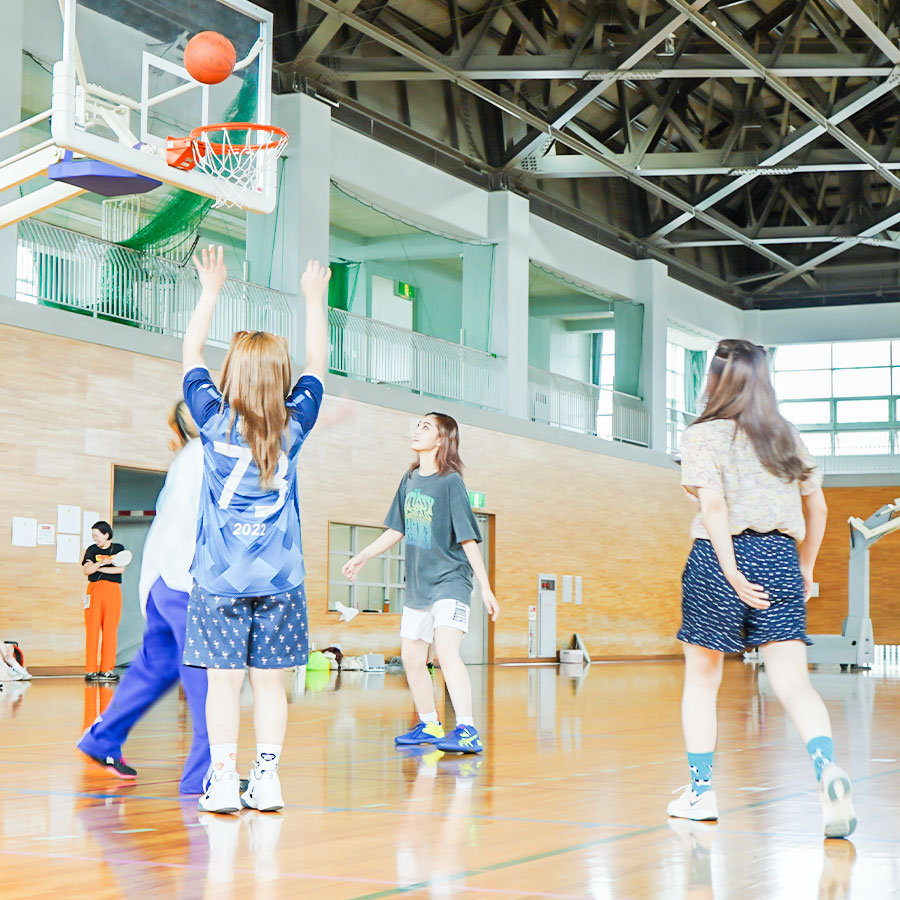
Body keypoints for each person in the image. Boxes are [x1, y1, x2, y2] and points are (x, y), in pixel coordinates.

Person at [668, 339, 856, 839]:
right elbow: (818, 508)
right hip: (779, 557)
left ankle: (701, 792)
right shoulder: (785, 435)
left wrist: (731, 572)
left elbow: (714, 508)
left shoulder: (702, 435)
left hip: (718, 558)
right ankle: (826, 769)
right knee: (793, 682)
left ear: (714, 380)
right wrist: (805, 567)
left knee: (702, 680)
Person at [181, 245, 328, 814]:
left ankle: (223, 781)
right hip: (281, 579)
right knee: (270, 683)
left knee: (224, 682)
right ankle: (266, 779)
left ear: (233, 375)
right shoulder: (297, 422)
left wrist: (210, 291)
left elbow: (191, 351)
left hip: (219, 577)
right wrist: (313, 301)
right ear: (281, 379)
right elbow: (318, 364)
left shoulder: (211, 417)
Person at [343, 413, 499, 754]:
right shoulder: (410, 478)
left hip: (451, 580)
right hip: (418, 585)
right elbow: (396, 528)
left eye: (426, 427)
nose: (417, 431)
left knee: (445, 650)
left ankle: (467, 729)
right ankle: (429, 724)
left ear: (441, 440)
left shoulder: (450, 482)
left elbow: (468, 539)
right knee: (412, 658)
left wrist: (486, 587)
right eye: (418, 425)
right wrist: (364, 555)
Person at [77, 401, 209, 791]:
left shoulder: (188, 458)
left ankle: (101, 738)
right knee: (208, 677)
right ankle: (204, 775)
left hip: (157, 582)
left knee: (156, 667)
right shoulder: (208, 455)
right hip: (185, 583)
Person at [82, 521, 129, 682]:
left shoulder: (118, 549)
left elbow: (120, 569)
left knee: (110, 630)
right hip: (94, 590)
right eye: (93, 536)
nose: (95, 539)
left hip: (112, 591)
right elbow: (87, 570)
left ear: (106, 534)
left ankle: (106, 670)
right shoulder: (91, 550)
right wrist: (102, 562)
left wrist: (98, 568)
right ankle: (91, 670)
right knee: (92, 630)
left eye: (97, 535)